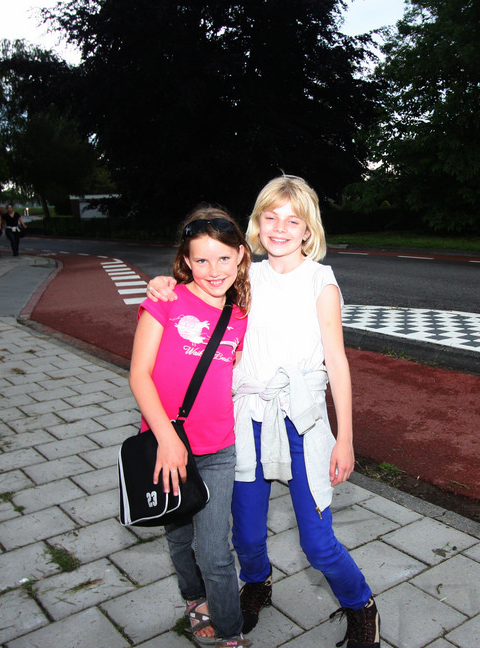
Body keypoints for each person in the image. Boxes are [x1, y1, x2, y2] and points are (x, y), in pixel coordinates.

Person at [148, 176, 380, 648]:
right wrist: (164, 283)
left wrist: (345, 438)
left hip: (302, 421)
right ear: (256, 223)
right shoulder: (244, 275)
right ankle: (257, 583)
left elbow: (337, 362)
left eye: (293, 220)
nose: (280, 228)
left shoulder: (320, 282)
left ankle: (362, 606)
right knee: (247, 536)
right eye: (271, 217)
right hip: (247, 418)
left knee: (318, 543)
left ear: (308, 229)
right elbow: (199, 284)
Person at [130, 207, 253, 648]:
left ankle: (230, 632)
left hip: (218, 449)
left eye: (223, 258)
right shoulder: (166, 301)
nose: (213, 270)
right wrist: (166, 439)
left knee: (216, 551)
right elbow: (139, 375)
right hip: (166, 446)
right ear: (185, 261)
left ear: (240, 256)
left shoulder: (241, 315)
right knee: (180, 537)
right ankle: (193, 597)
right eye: (201, 260)